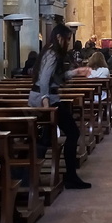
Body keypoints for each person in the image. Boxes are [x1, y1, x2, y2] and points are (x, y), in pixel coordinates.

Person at [28, 23, 93, 189]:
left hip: (45, 97)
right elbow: (44, 79)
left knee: (48, 137)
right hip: (46, 99)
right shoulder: (52, 53)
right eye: (67, 39)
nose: (68, 42)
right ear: (59, 37)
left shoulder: (50, 51)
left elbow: (56, 78)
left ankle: (34, 174)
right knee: (73, 132)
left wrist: (76, 72)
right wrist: (45, 101)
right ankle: (70, 176)